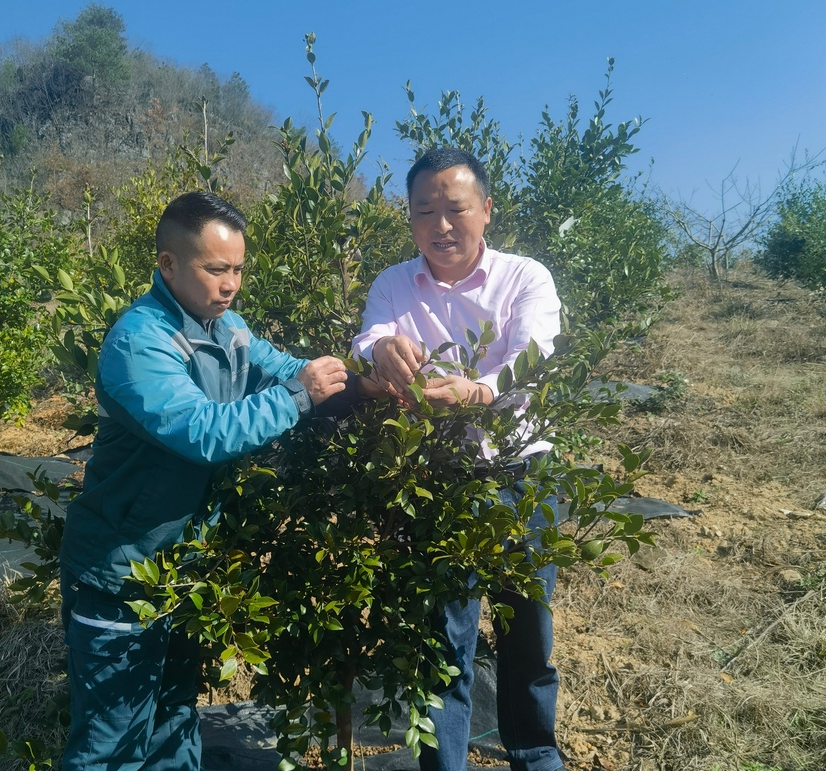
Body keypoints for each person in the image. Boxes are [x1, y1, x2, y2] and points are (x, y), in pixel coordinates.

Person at [58, 191, 353, 771]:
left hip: (183, 569)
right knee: (112, 742)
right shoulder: (140, 341)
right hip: (120, 571)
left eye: (238, 269)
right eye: (216, 269)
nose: (231, 284)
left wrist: (359, 381)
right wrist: (300, 396)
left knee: (173, 714)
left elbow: (284, 368)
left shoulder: (228, 328)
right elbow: (203, 432)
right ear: (168, 264)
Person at [352, 147, 564, 771]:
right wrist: (379, 350)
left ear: (487, 210)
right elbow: (369, 337)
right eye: (425, 211)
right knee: (443, 640)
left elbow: (533, 359)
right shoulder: (393, 284)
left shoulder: (525, 277)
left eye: (455, 209)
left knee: (528, 632)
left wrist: (479, 392)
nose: (440, 226)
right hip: (435, 478)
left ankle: (536, 755)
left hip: (521, 474)